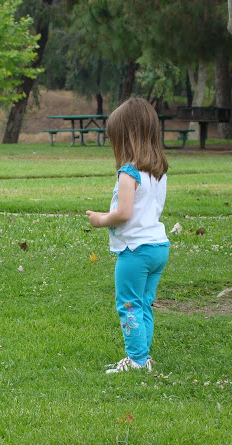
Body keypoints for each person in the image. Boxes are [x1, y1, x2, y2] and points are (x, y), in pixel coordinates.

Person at [86, 97, 170, 374]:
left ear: (124, 137)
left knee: (129, 305)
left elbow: (123, 213)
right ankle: (142, 357)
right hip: (158, 246)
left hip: (135, 251)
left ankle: (135, 359)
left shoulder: (128, 173)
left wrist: (100, 220)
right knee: (144, 303)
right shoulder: (158, 171)